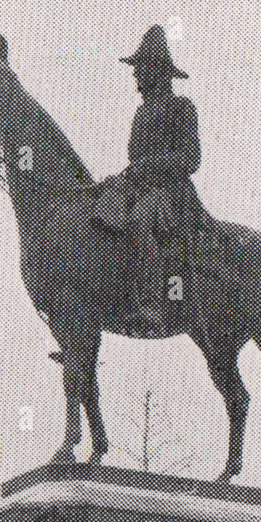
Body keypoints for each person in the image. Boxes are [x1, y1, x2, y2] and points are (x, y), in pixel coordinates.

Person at [93, 25, 204, 333]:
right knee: (100, 211)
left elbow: (190, 160)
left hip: (171, 193)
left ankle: (154, 305)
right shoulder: (141, 113)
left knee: (141, 222)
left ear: (157, 71)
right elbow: (133, 158)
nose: (135, 76)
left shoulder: (182, 108)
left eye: (140, 68)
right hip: (140, 187)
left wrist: (147, 166)